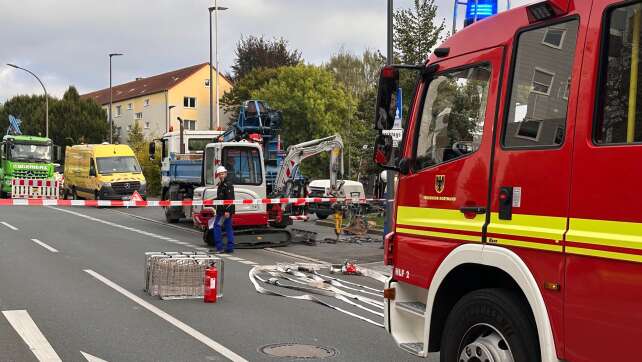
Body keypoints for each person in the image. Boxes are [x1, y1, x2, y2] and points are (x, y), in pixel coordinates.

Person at [212, 166, 235, 253]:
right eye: (219, 174)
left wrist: (227, 211)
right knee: (228, 228)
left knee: (217, 226)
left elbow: (230, 198)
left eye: (222, 174)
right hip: (222, 210)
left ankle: (219, 248)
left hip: (224, 211)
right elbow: (220, 198)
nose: (221, 175)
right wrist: (211, 202)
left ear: (225, 173)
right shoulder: (222, 184)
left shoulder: (227, 184)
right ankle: (229, 248)